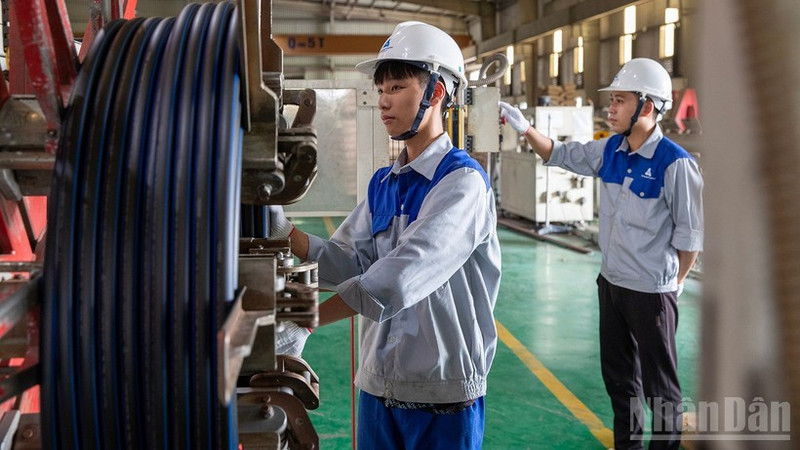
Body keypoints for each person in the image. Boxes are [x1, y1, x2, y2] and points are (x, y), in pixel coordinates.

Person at [271, 21, 502, 449]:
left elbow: (397, 278)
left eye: (396, 87)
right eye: (380, 90)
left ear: (436, 92)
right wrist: (282, 231)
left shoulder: (462, 184)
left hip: (444, 393)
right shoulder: (385, 183)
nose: (382, 102)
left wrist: (308, 320)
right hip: (379, 387)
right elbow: (346, 261)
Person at [499, 58, 703, 449]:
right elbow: (559, 154)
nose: (610, 109)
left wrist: (673, 284)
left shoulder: (675, 164)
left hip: (652, 293)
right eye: (612, 101)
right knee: (619, 375)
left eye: (620, 101)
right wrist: (523, 127)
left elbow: (690, 238)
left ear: (648, 107)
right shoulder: (610, 150)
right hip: (611, 285)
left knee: (661, 385)